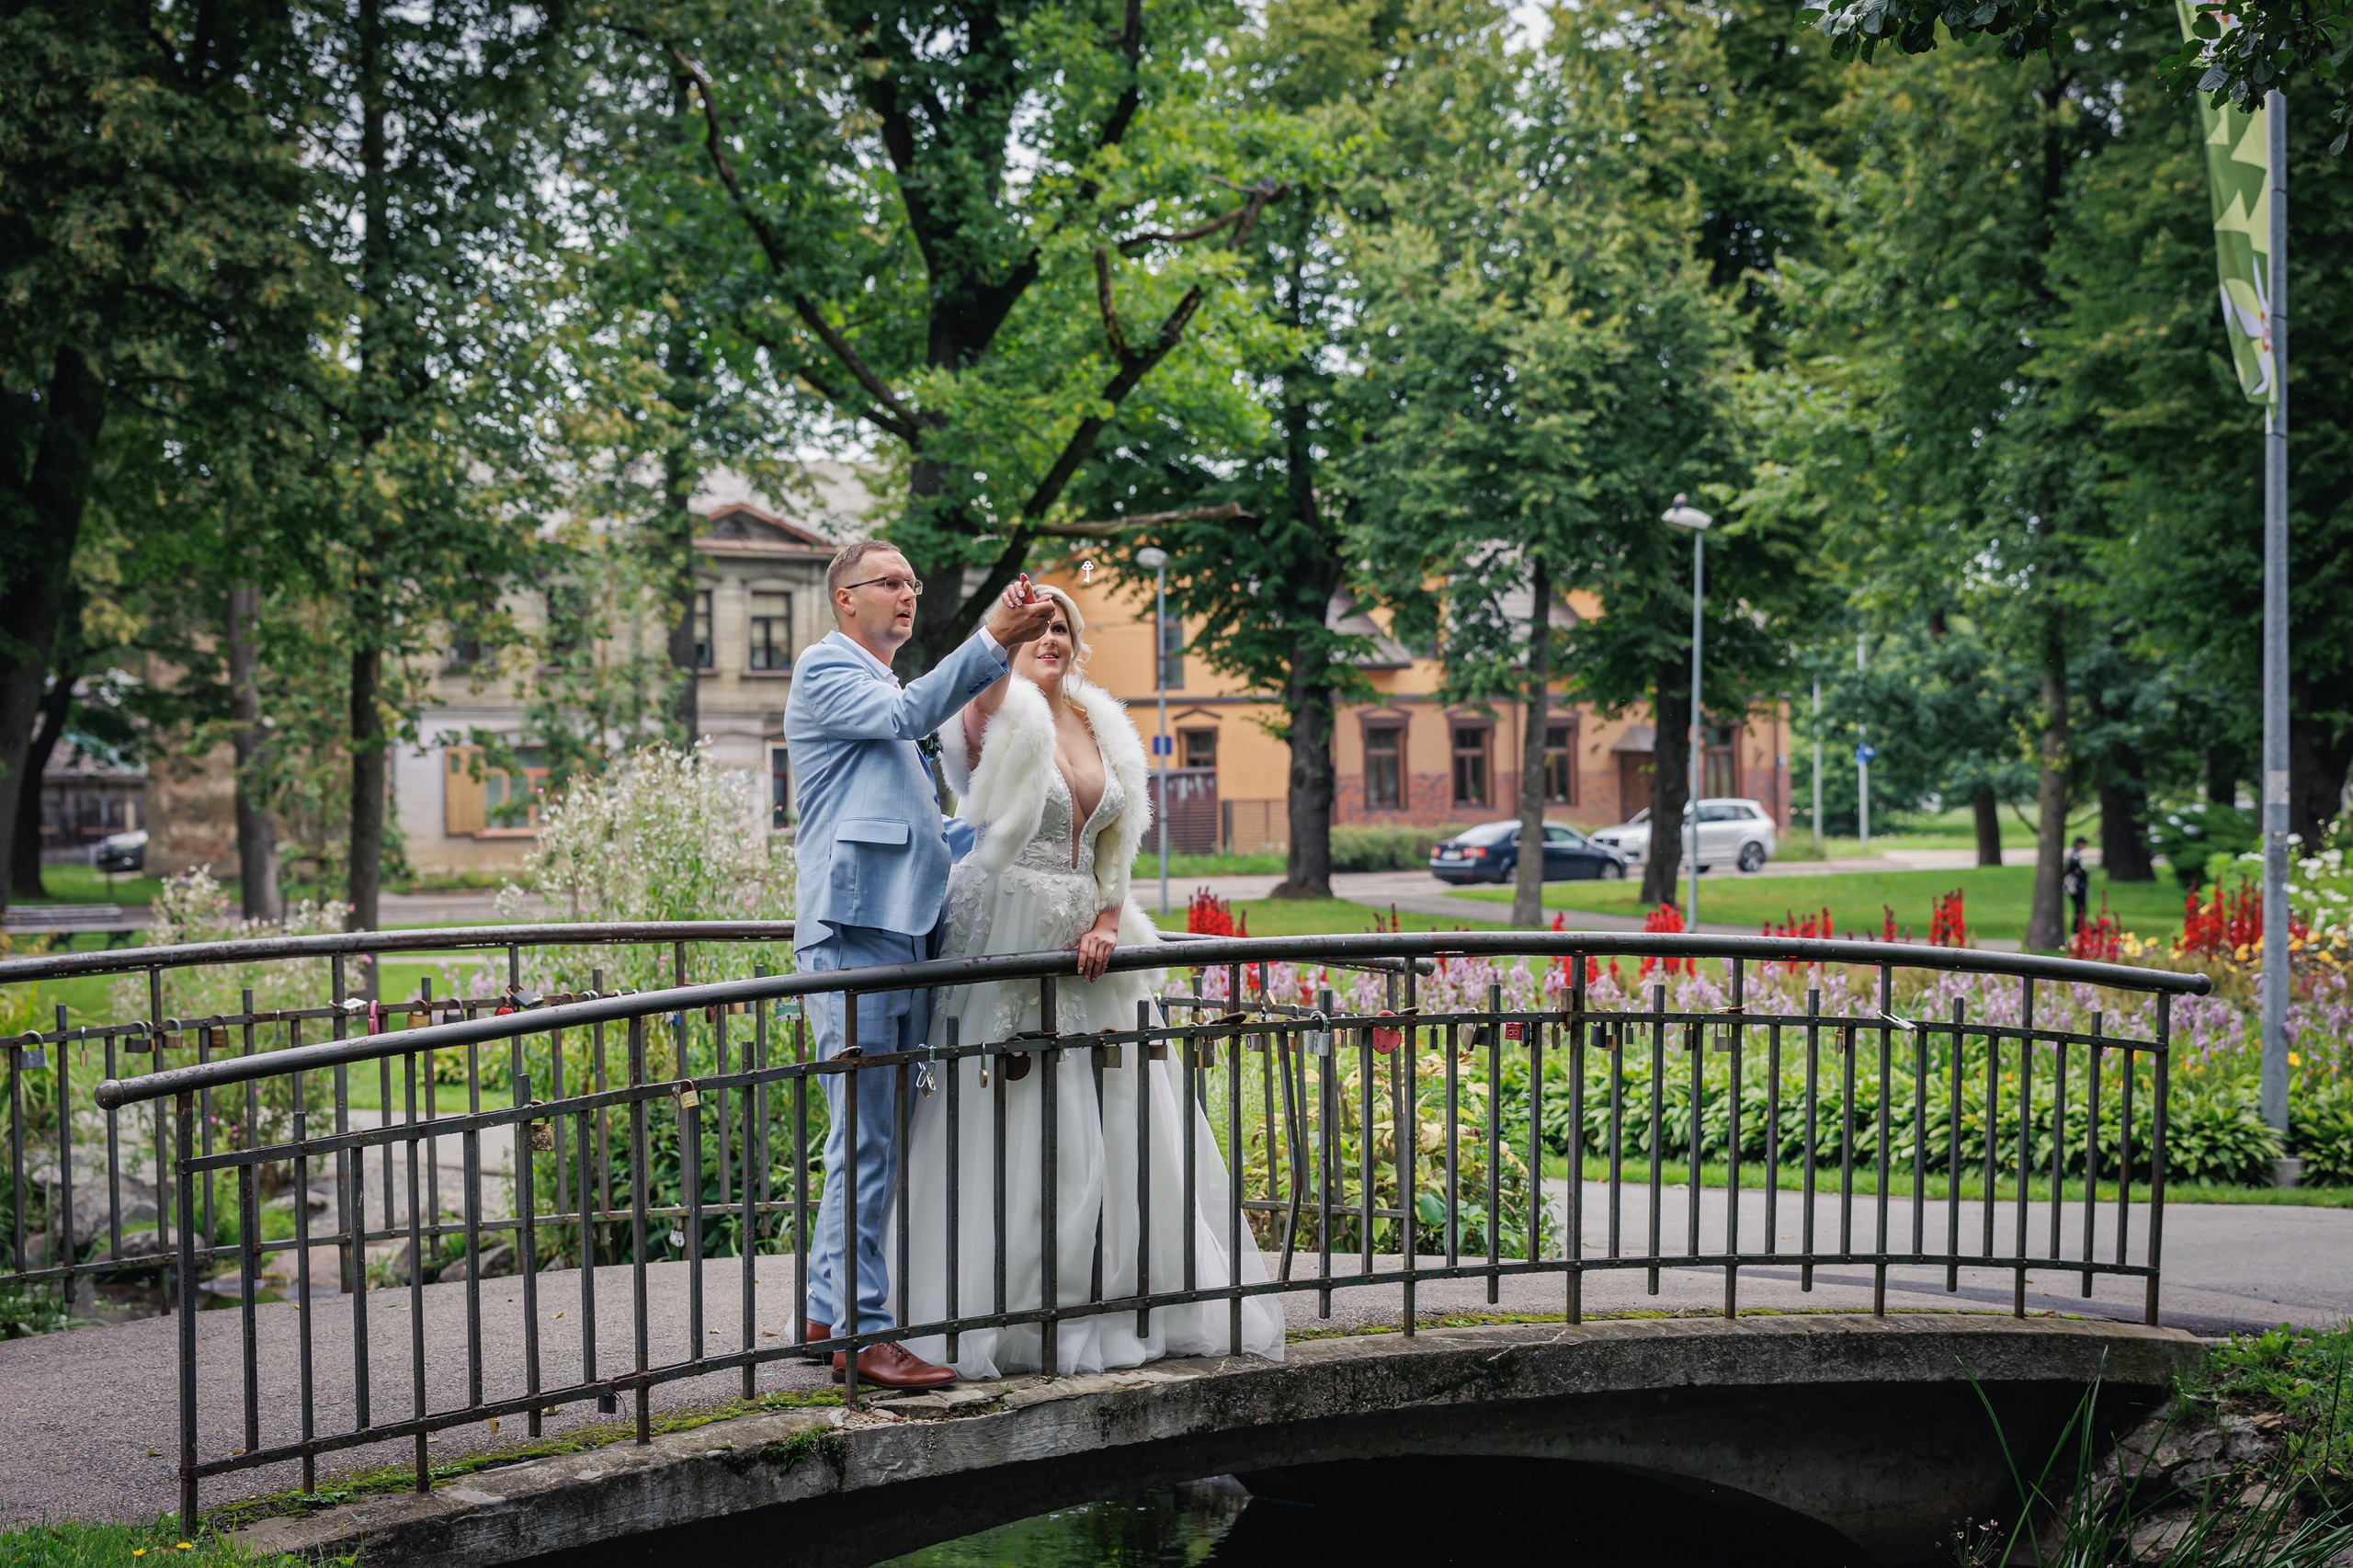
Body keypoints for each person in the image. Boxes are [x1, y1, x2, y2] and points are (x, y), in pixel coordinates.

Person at [893, 585, 1285, 1377]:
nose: (1051, 636)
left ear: (1079, 640)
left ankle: (1108, 1300)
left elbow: (1118, 844)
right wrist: (997, 634)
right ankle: (995, 1315)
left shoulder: (1101, 720)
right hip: (1004, 927)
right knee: (1007, 1108)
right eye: (1036, 626)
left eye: (1062, 625)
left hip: (1088, 942)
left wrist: (1109, 919)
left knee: (1113, 1116)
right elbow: (974, 707)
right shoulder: (993, 707)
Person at [785, 540, 1056, 1390]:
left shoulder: (882, 687)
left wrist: (1031, 837)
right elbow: (905, 719)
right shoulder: (827, 672)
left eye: (913, 584)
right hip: (854, 933)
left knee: (869, 1142)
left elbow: (928, 835)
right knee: (864, 1143)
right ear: (844, 600)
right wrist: (992, 639)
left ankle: (828, 1315)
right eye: (890, 583)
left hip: (899, 935)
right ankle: (864, 1337)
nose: (908, 595)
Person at [2063, 836, 2090, 936]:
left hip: (2078, 887)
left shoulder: (2076, 855)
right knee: (2080, 907)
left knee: (2080, 907)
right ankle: (2078, 928)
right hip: (2077, 887)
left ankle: (2080, 926)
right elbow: (2076, 870)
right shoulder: (2075, 856)